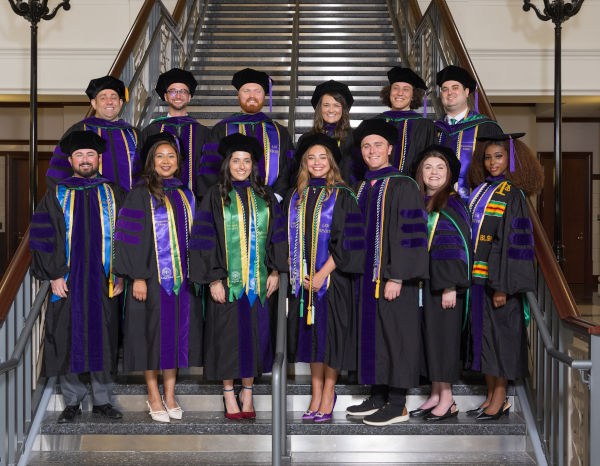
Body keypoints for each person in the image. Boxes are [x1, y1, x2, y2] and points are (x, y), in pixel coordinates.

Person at [189, 133, 288, 419]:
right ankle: (228, 393)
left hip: (258, 283)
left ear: (253, 165)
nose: (242, 166)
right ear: (227, 164)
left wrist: (275, 270)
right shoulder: (214, 196)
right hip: (227, 284)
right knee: (227, 339)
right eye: (236, 160)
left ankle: (248, 392)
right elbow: (204, 239)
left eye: (246, 161)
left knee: (254, 338)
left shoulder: (266, 196)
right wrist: (213, 279)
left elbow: (278, 236)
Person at [30, 131, 124, 423]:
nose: (85, 160)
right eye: (80, 155)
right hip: (68, 280)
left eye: (90, 155)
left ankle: (103, 400)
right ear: (70, 160)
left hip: (104, 279)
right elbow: (43, 236)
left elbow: (126, 237)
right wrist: (55, 274)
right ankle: (72, 400)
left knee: (104, 336)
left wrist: (120, 273)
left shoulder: (114, 192)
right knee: (66, 336)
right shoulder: (56, 193)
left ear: (99, 159)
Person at [113, 132, 203, 423]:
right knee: (148, 336)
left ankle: (170, 393)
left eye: (171, 156)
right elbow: (128, 238)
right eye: (160, 156)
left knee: (176, 336)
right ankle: (153, 395)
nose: (166, 161)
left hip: (182, 281)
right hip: (149, 280)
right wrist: (137, 276)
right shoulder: (139, 193)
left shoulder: (186, 194)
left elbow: (194, 239)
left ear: (178, 163)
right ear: (151, 162)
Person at [345, 119, 429, 426]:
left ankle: (398, 403)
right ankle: (378, 396)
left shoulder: (403, 185)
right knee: (375, 337)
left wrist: (397, 276)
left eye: (378, 144)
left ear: (390, 149)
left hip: (394, 279)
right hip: (367, 280)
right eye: (366, 146)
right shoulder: (365, 185)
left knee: (396, 337)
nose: (372, 150)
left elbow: (411, 235)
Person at [286, 133, 365, 422]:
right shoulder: (297, 196)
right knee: (312, 341)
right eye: (311, 158)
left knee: (329, 339)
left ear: (331, 161)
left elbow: (350, 241)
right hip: (304, 284)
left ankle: (329, 392)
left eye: (322, 157)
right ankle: (315, 392)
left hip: (332, 281)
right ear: (304, 163)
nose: (317, 162)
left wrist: (321, 273)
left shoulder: (343, 195)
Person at [465, 132, 542, 420]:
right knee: (485, 340)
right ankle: (489, 396)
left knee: (501, 341)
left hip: (499, 282)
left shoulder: (513, 194)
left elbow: (516, 243)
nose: (492, 162)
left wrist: (503, 287)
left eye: (498, 156)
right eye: (488, 157)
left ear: (511, 158)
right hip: (478, 280)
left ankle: (501, 398)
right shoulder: (481, 189)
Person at [409, 145, 472, 421]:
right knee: (430, 340)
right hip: (425, 284)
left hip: (445, 286)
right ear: (420, 173)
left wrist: (451, 286)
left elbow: (457, 247)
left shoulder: (453, 202)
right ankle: (434, 394)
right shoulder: (422, 201)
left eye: (440, 168)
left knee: (443, 341)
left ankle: (448, 398)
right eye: (428, 167)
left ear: (449, 174)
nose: (433, 172)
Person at [196, 68, 293, 200]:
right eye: (246, 91)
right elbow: (210, 168)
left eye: (257, 91)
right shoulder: (221, 129)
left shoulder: (279, 132)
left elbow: (288, 169)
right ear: (238, 95)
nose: (252, 96)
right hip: (229, 204)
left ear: (264, 95)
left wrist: (276, 197)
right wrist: (220, 199)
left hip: (272, 204)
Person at [47, 76, 141, 192]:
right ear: (94, 103)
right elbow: (59, 171)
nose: (109, 102)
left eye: (114, 97)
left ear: (120, 102)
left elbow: (142, 174)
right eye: (103, 98)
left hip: (128, 205)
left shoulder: (132, 134)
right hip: (90, 205)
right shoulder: (80, 130)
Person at [434, 65, 503, 201]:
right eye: (445, 89)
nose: (449, 93)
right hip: (438, 205)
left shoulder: (485, 127)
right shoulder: (434, 129)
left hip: (476, 204)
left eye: (455, 87)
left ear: (466, 92)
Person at [142, 68, 209, 198]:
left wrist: (202, 202)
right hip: (156, 200)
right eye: (173, 91)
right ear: (165, 96)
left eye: (183, 91)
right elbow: (144, 167)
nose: (178, 96)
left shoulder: (203, 132)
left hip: (194, 201)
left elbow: (208, 171)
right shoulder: (151, 130)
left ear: (189, 97)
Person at [375, 66, 436, 174]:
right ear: (389, 92)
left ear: (413, 96)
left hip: (413, 187)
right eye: (395, 88)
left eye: (406, 89)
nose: (400, 93)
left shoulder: (425, 126)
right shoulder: (376, 123)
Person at [294, 80, 355, 183]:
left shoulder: (354, 138)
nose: (331, 110)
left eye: (336, 105)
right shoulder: (306, 139)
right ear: (319, 109)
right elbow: (298, 173)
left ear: (343, 109)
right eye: (326, 105)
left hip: (346, 194)